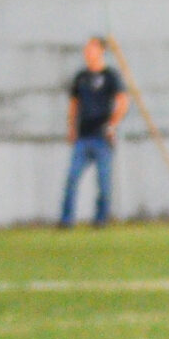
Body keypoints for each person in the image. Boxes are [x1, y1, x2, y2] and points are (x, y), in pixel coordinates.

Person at [58, 37, 126, 228]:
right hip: (83, 136)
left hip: (102, 137)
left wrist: (112, 125)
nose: (88, 52)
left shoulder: (111, 76)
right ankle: (66, 220)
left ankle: (100, 220)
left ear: (101, 51)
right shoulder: (81, 77)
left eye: (91, 48)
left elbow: (123, 101)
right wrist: (71, 127)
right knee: (72, 179)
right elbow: (74, 104)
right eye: (86, 49)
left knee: (103, 183)